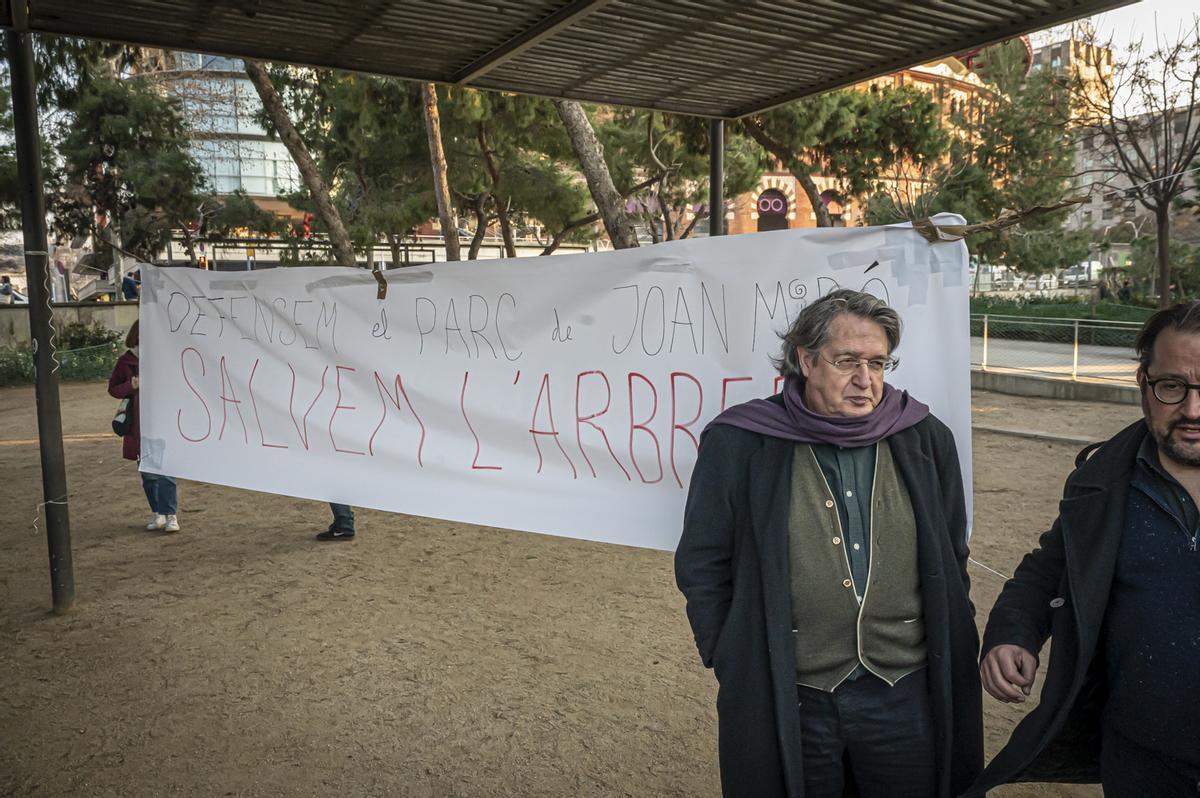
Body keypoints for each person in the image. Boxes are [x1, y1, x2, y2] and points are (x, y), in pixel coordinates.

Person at [675, 289, 982, 798]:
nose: (866, 380)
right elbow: (704, 562)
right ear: (805, 359)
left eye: (878, 363)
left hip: (905, 694)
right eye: (847, 362)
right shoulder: (741, 441)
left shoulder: (925, 438)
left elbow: (953, 553)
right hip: (791, 694)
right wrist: (730, 653)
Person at [968, 302, 1200, 797]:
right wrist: (1012, 634)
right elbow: (1046, 572)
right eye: (1172, 386)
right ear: (1143, 382)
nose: (1192, 410)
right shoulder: (1102, 486)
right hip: (1141, 765)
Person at [108, 320, 180, 533]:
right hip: (138, 427)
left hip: (162, 421)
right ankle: (158, 513)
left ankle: (171, 515)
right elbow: (113, 389)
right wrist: (131, 385)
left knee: (166, 472)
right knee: (148, 474)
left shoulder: (164, 358)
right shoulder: (125, 362)